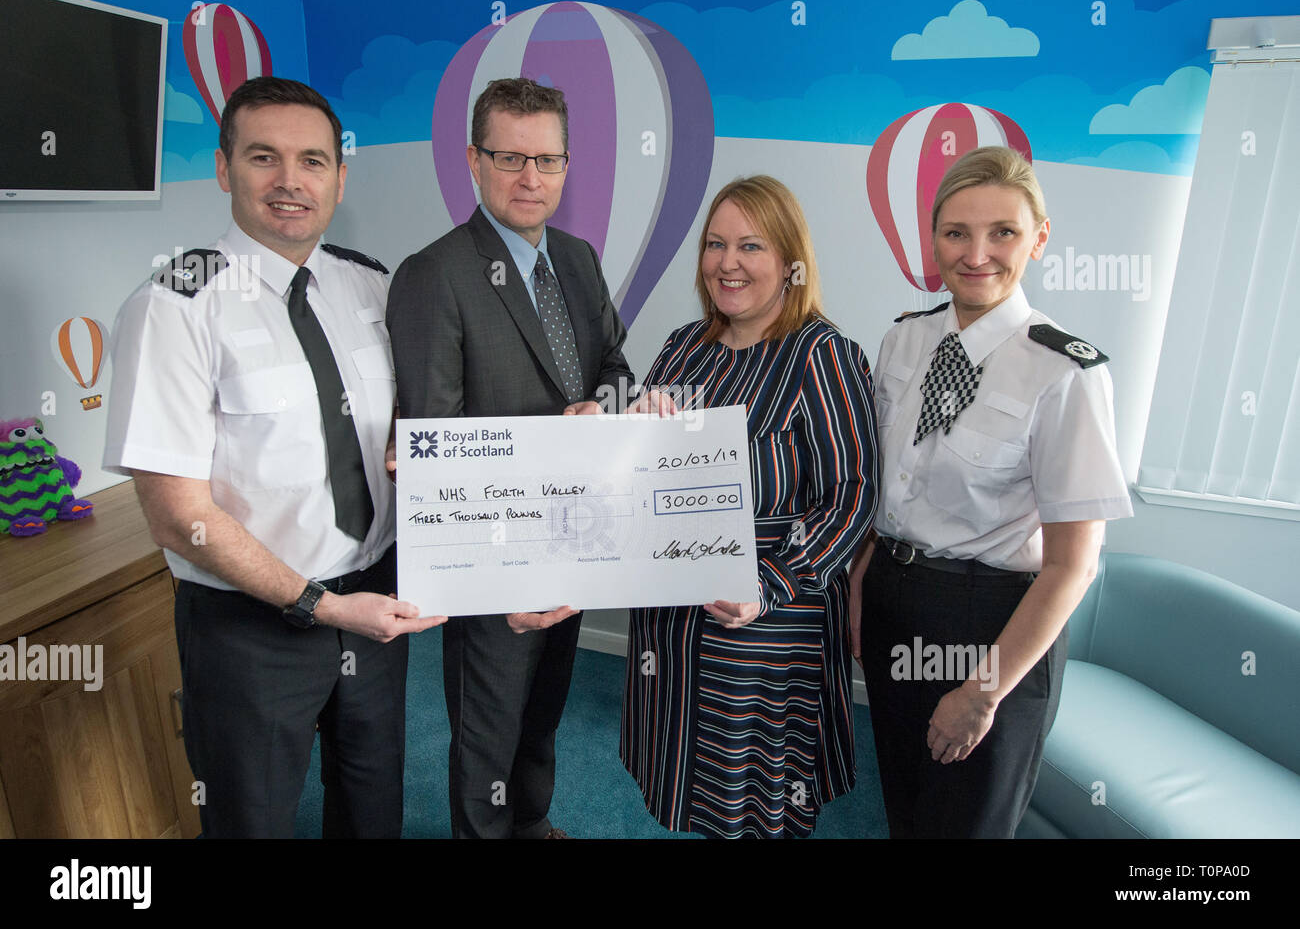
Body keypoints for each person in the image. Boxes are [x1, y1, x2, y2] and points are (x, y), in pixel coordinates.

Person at [103, 76, 444, 838]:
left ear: (339, 177)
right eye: (265, 157)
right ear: (225, 169)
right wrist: (316, 604)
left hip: (375, 606)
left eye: (313, 161)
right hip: (250, 626)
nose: (291, 181)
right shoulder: (174, 304)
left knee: (372, 806)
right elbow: (175, 514)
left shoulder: (371, 283)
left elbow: (411, 423)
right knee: (251, 818)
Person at [849, 145, 1133, 838]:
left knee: (967, 825)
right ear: (933, 239)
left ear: (1038, 239)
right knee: (908, 809)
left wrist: (982, 692)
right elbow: (888, 496)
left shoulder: (1066, 372)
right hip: (894, 598)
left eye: (1002, 232)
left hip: (991, 624)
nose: (977, 253)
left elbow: (1075, 565)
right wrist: (862, 586)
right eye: (956, 232)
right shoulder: (903, 342)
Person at [386, 77, 634, 839]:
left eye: (549, 160)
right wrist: (498, 581)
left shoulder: (580, 259)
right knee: (486, 739)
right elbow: (436, 448)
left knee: (543, 715)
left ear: (566, 165)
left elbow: (618, 368)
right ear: (473, 159)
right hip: (491, 569)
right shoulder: (434, 275)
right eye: (511, 157)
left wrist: (607, 404)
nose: (532, 177)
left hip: (576, 542)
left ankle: (532, 824)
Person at [621, 175, 879, 838]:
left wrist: (770, 584)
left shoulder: (822, 355)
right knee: (697, 790)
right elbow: (637, 474)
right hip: (675, 625)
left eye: (750, 246)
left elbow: (853, 495)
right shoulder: (685, 346)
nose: (727, 262)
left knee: (760, 806)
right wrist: (630, 426)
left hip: (766, 632)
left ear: (790, 261)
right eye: (714, 244)